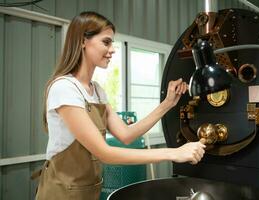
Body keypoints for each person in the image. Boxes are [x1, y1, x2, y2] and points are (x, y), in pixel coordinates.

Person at [35, 11, 205, 200]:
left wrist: (167, 104)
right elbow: (104, 153)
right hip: (60, 192)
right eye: (106, 42)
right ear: (83, 41)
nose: (113, 49)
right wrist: (174, 153)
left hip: (88, 191)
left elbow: (126, 134)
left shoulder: (97, 91)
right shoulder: (65, 88)